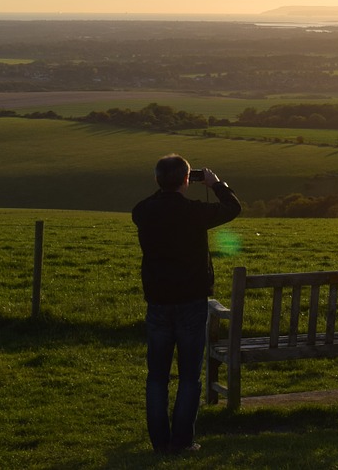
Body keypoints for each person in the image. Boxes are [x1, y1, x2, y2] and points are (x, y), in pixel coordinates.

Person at [132, 154, 242, 454]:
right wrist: (216, 184)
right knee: (189, 377)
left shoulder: (142, 211)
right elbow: (233, 208)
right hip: (192, 302)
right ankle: (182, 442)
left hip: (157, 302)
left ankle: (159, 442)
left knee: (157, 377)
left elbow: (150, 205)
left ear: (157, 181)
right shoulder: (195, 212)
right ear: (186, 181)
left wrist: (166, 187)